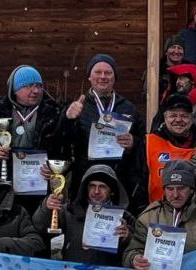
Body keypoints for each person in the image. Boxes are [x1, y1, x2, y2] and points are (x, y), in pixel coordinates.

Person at [59, 54, 145, 207]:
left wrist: (134, 143)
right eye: (97, 72)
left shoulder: (128, 108)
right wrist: (68, 119)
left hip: (120, 182)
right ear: (89, 77)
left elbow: (144, 144)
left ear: (114, 77)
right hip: (86, 182)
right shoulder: (77, 107)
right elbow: (62, 141)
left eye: (108, 73)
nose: (103, 77)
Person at [0, 64, 65, 207]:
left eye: (38, 86)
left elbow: (63, 151)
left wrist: (53, 167)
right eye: (29, 86)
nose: (35, 91)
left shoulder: (53, 113)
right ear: (15, 89)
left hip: (38, 188)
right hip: (0, 186)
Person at [33, 163, 134, 267]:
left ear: (112, 191)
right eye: (92, 186)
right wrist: (47, 208)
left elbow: (136, 251)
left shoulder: (125, 217)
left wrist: (127, 238)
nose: (96, 191)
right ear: (85, 188)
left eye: (102, 187)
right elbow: (39, 226)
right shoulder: (70, 211)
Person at [145, 94, 196, 205]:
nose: (178, 120)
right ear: (165, 117)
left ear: (192, 118)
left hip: (195, 212)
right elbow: (139, 179)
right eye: (173, 115)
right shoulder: (149, 142)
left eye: (184, 116)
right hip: (157, 212)